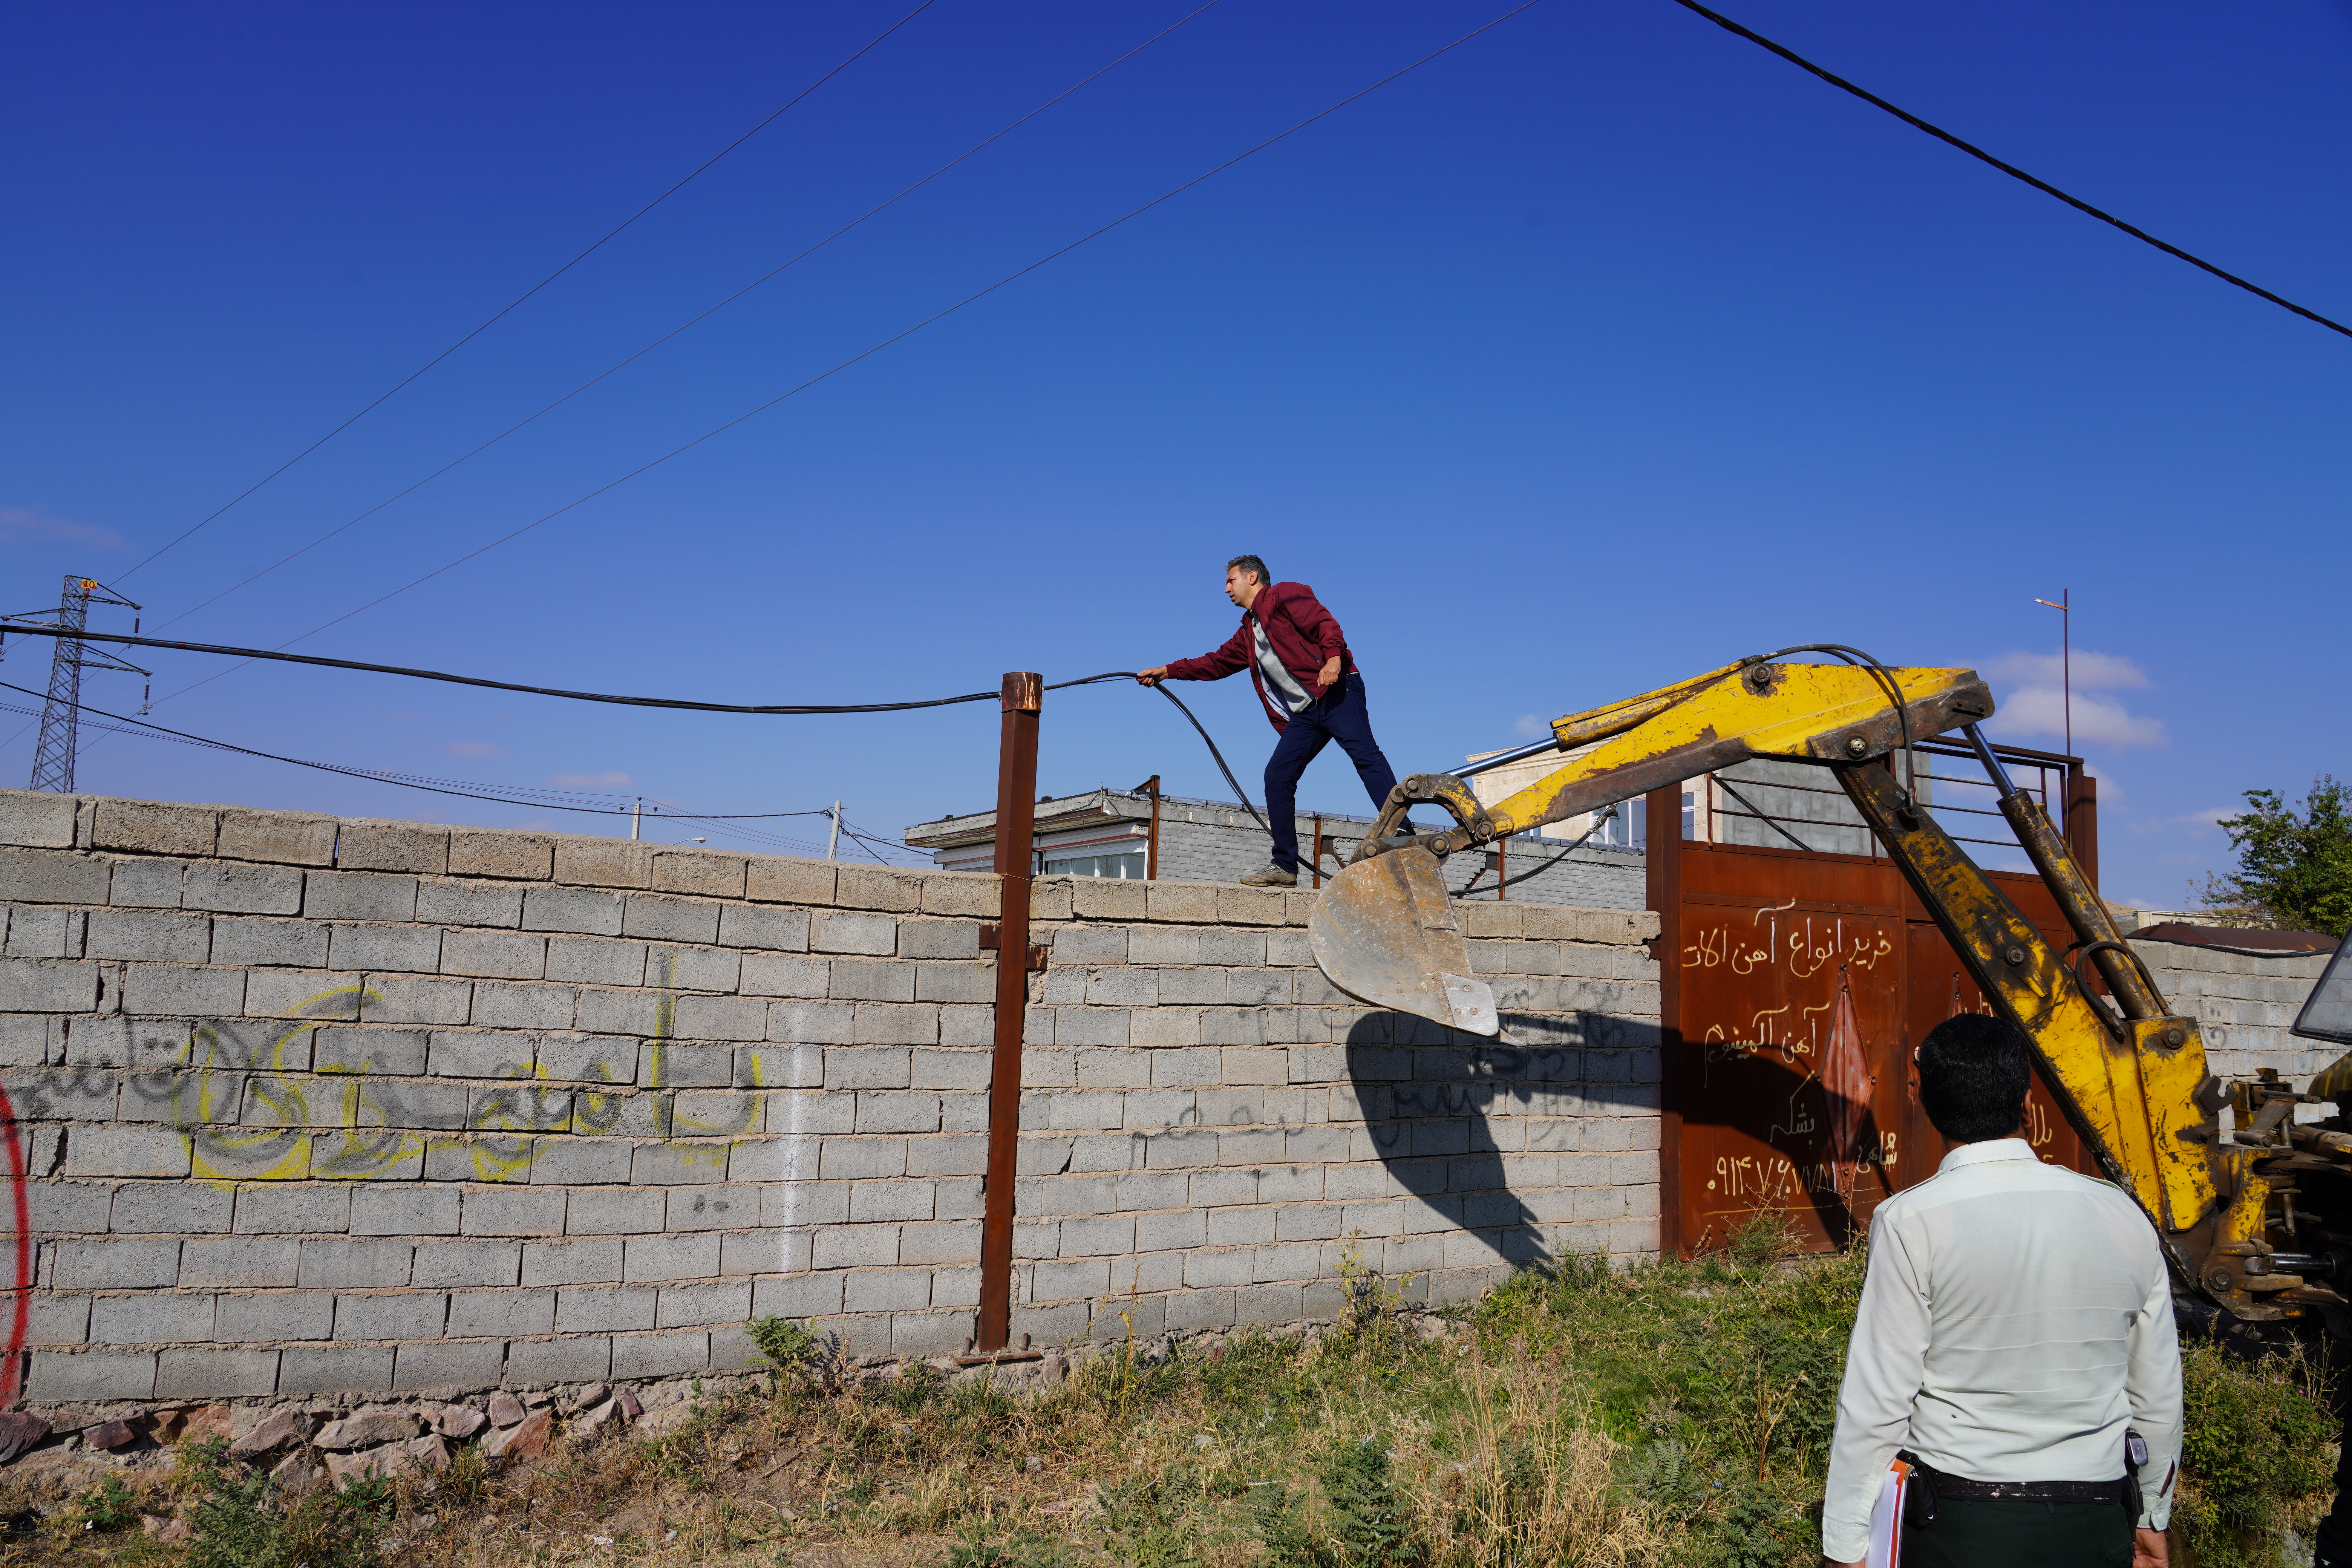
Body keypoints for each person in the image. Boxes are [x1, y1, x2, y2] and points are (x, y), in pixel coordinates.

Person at [1821, 1013, 2180, 1568]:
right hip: (2098, 1518)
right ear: (2028, 1101)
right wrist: (2152, 1514)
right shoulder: (2122, 1213)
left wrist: (1845, 1543)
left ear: (1924, 1102)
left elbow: (1876, 1401)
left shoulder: (1910, 1221)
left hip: (1961, 1525)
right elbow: (2157, 1392)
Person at [1138, 555, 1403, 887]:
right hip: (1306, 712)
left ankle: (1400, 829)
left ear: (1252, 578)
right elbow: (1216, 663)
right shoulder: (1248, 633)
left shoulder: (1284, 595)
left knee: (1364, 754)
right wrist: (1167, 671)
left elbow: (1325, 624)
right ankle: (1285, 865)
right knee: (1277, 775)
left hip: (1337, 691)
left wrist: (1334, 659)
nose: (1226, 590)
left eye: (1231, 581)